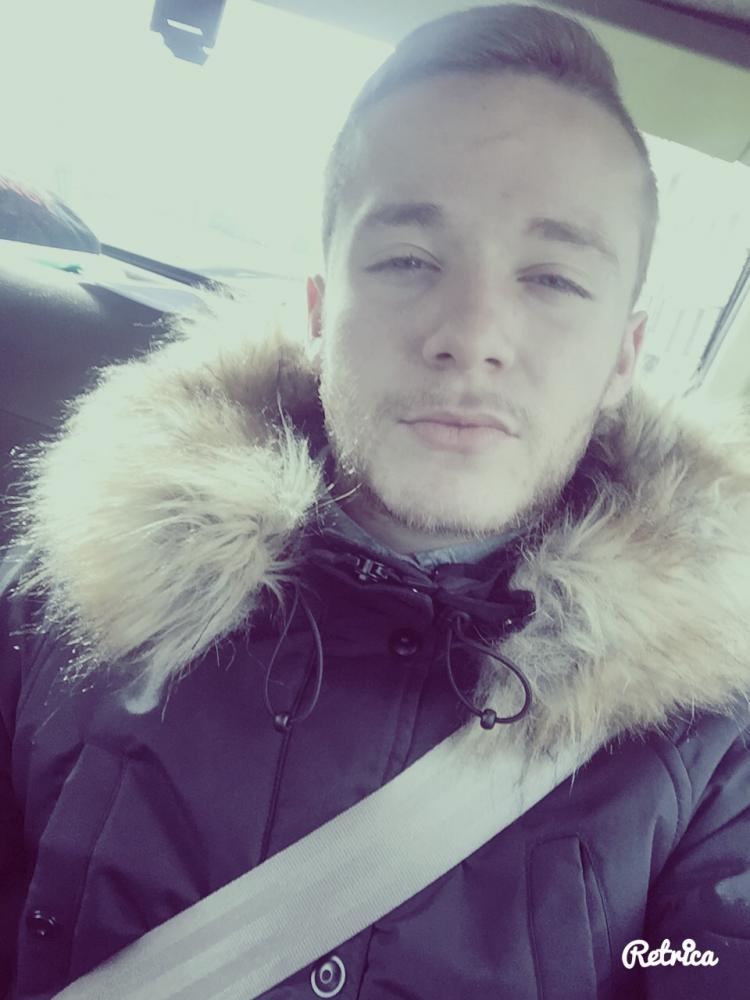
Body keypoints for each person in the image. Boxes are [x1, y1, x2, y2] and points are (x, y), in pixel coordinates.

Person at [1, 4, 749, 998]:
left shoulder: (710, 741)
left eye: (554, 279)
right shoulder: (74, 589)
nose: (471, 335)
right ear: (320, 310)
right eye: (407, 261)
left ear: (624, 354)